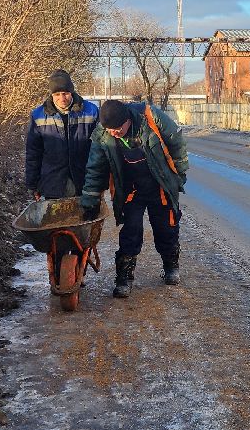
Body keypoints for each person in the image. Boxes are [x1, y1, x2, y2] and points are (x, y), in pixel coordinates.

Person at [80, 98, 189, 298]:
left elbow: (176, 142)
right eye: (110, 130)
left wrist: (179, 174)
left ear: (127, 120)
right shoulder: (103, 135)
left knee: (167, 228)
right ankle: (124, 278)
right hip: (131, 190)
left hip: (160, 185)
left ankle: (171, 266)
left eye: (117, 129)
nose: (114, 133)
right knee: (130, 233)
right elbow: (95, 169)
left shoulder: (150, 118)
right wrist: (90, 200)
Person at [24, 70, 98, 200]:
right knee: (57, 219)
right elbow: (33, 153)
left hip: (84, 182)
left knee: (84, 218)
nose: (62, 98)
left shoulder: (91, 111)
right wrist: (33, 184)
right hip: (53, 183)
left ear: (72, 92)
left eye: (65, 93)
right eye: (57, 94)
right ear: (51, 94)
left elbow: (100, 150)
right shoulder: (38, 115)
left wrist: (100, 183)